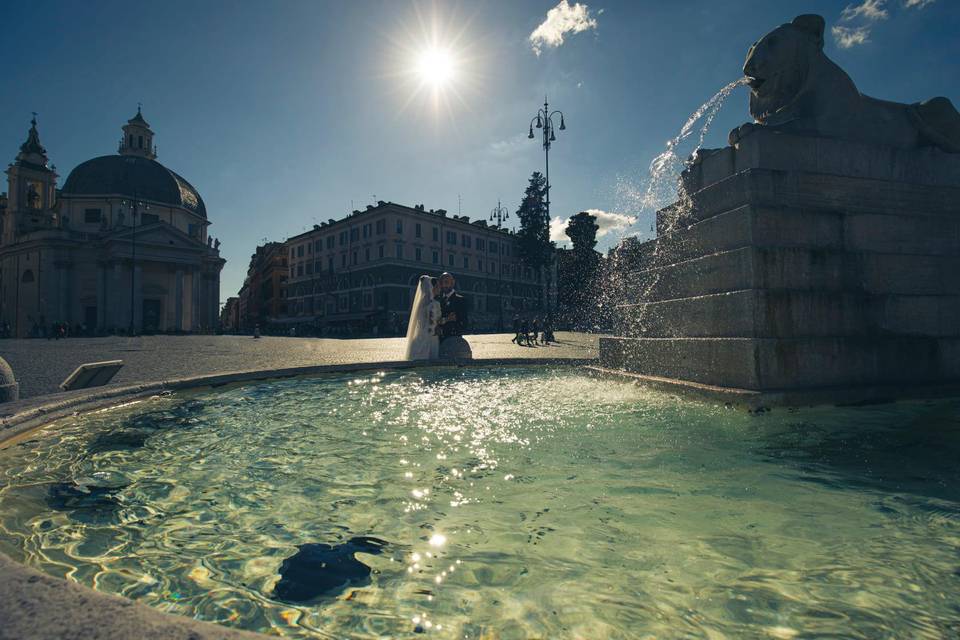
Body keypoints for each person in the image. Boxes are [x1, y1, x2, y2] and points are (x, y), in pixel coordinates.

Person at [404, 275, 441, 361]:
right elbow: (432, 323)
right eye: (437, 286)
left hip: (419, 337)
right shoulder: (433, 304)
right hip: (430, 338)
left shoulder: (421, 302)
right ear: (432, 287)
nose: (439, 289)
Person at [437, 272, 468, 340]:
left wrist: (444, 330)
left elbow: (464, 324)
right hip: (438, 341)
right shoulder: (438, 300)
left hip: (454, 340)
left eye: (446, 282)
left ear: (453, 282)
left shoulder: (460, 300)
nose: (444, 285)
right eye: (441, 283)